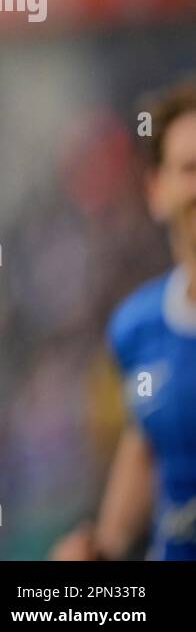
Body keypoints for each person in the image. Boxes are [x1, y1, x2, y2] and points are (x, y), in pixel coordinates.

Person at [52, 81, 196, 561]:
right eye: (189, 169)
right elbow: (148, 439)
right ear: (157, 189)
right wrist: (100, 550)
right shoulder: (137, 327)